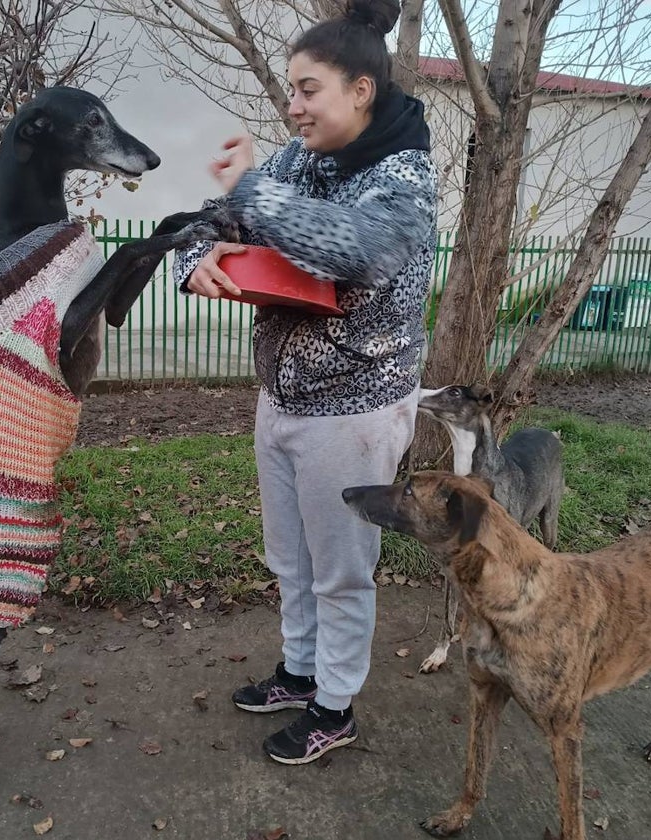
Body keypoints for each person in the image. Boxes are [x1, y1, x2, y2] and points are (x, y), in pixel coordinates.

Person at [173, 0, 438, 765]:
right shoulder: (301, 160)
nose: (292, 106)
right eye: (290, 89)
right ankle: (298, 672)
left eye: (307, 88)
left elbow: (352, 248)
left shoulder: (404, 181)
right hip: (283, 396)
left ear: (360, 90)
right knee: (290, 558)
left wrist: (254, 192)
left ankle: (335, 706)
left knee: (342, 571)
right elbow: (214, 220)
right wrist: (201, 260)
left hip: (354, 411)